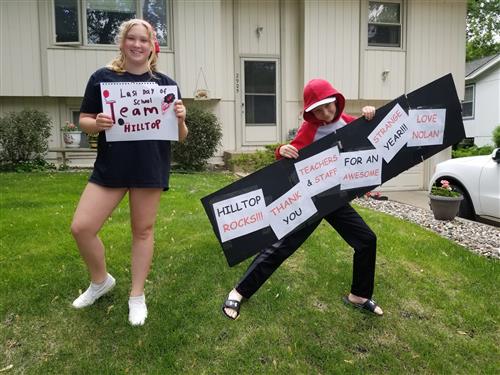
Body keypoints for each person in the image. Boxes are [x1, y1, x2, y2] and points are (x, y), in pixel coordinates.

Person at [222, 78, 383, 320]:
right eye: (318, 110)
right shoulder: (310, 129)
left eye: (328, 106)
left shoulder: (347, 121)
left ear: (336, 102)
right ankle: (238, 292)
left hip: (335, 197)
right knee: (281, 246)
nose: (325, 113)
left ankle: (358, 296)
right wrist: (281, 150)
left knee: (366, 240)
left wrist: (371, 114)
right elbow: (290, 152)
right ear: (311, 113)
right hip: (310, 197)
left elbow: (371, 132)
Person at [70, 19, 188, 326]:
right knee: (82, 227)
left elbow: (180, 135)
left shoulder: (165, 84)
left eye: (144, 40)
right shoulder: (102, 78)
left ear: (152, 47)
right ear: (123, 43)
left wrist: (181, 119)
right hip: (112, 165)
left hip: (149, 165)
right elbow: (83, 119)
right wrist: (97, 123)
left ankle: (137, 296)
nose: (137, 45)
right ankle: (100, 281)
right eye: (131, 39)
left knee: (143, 231)